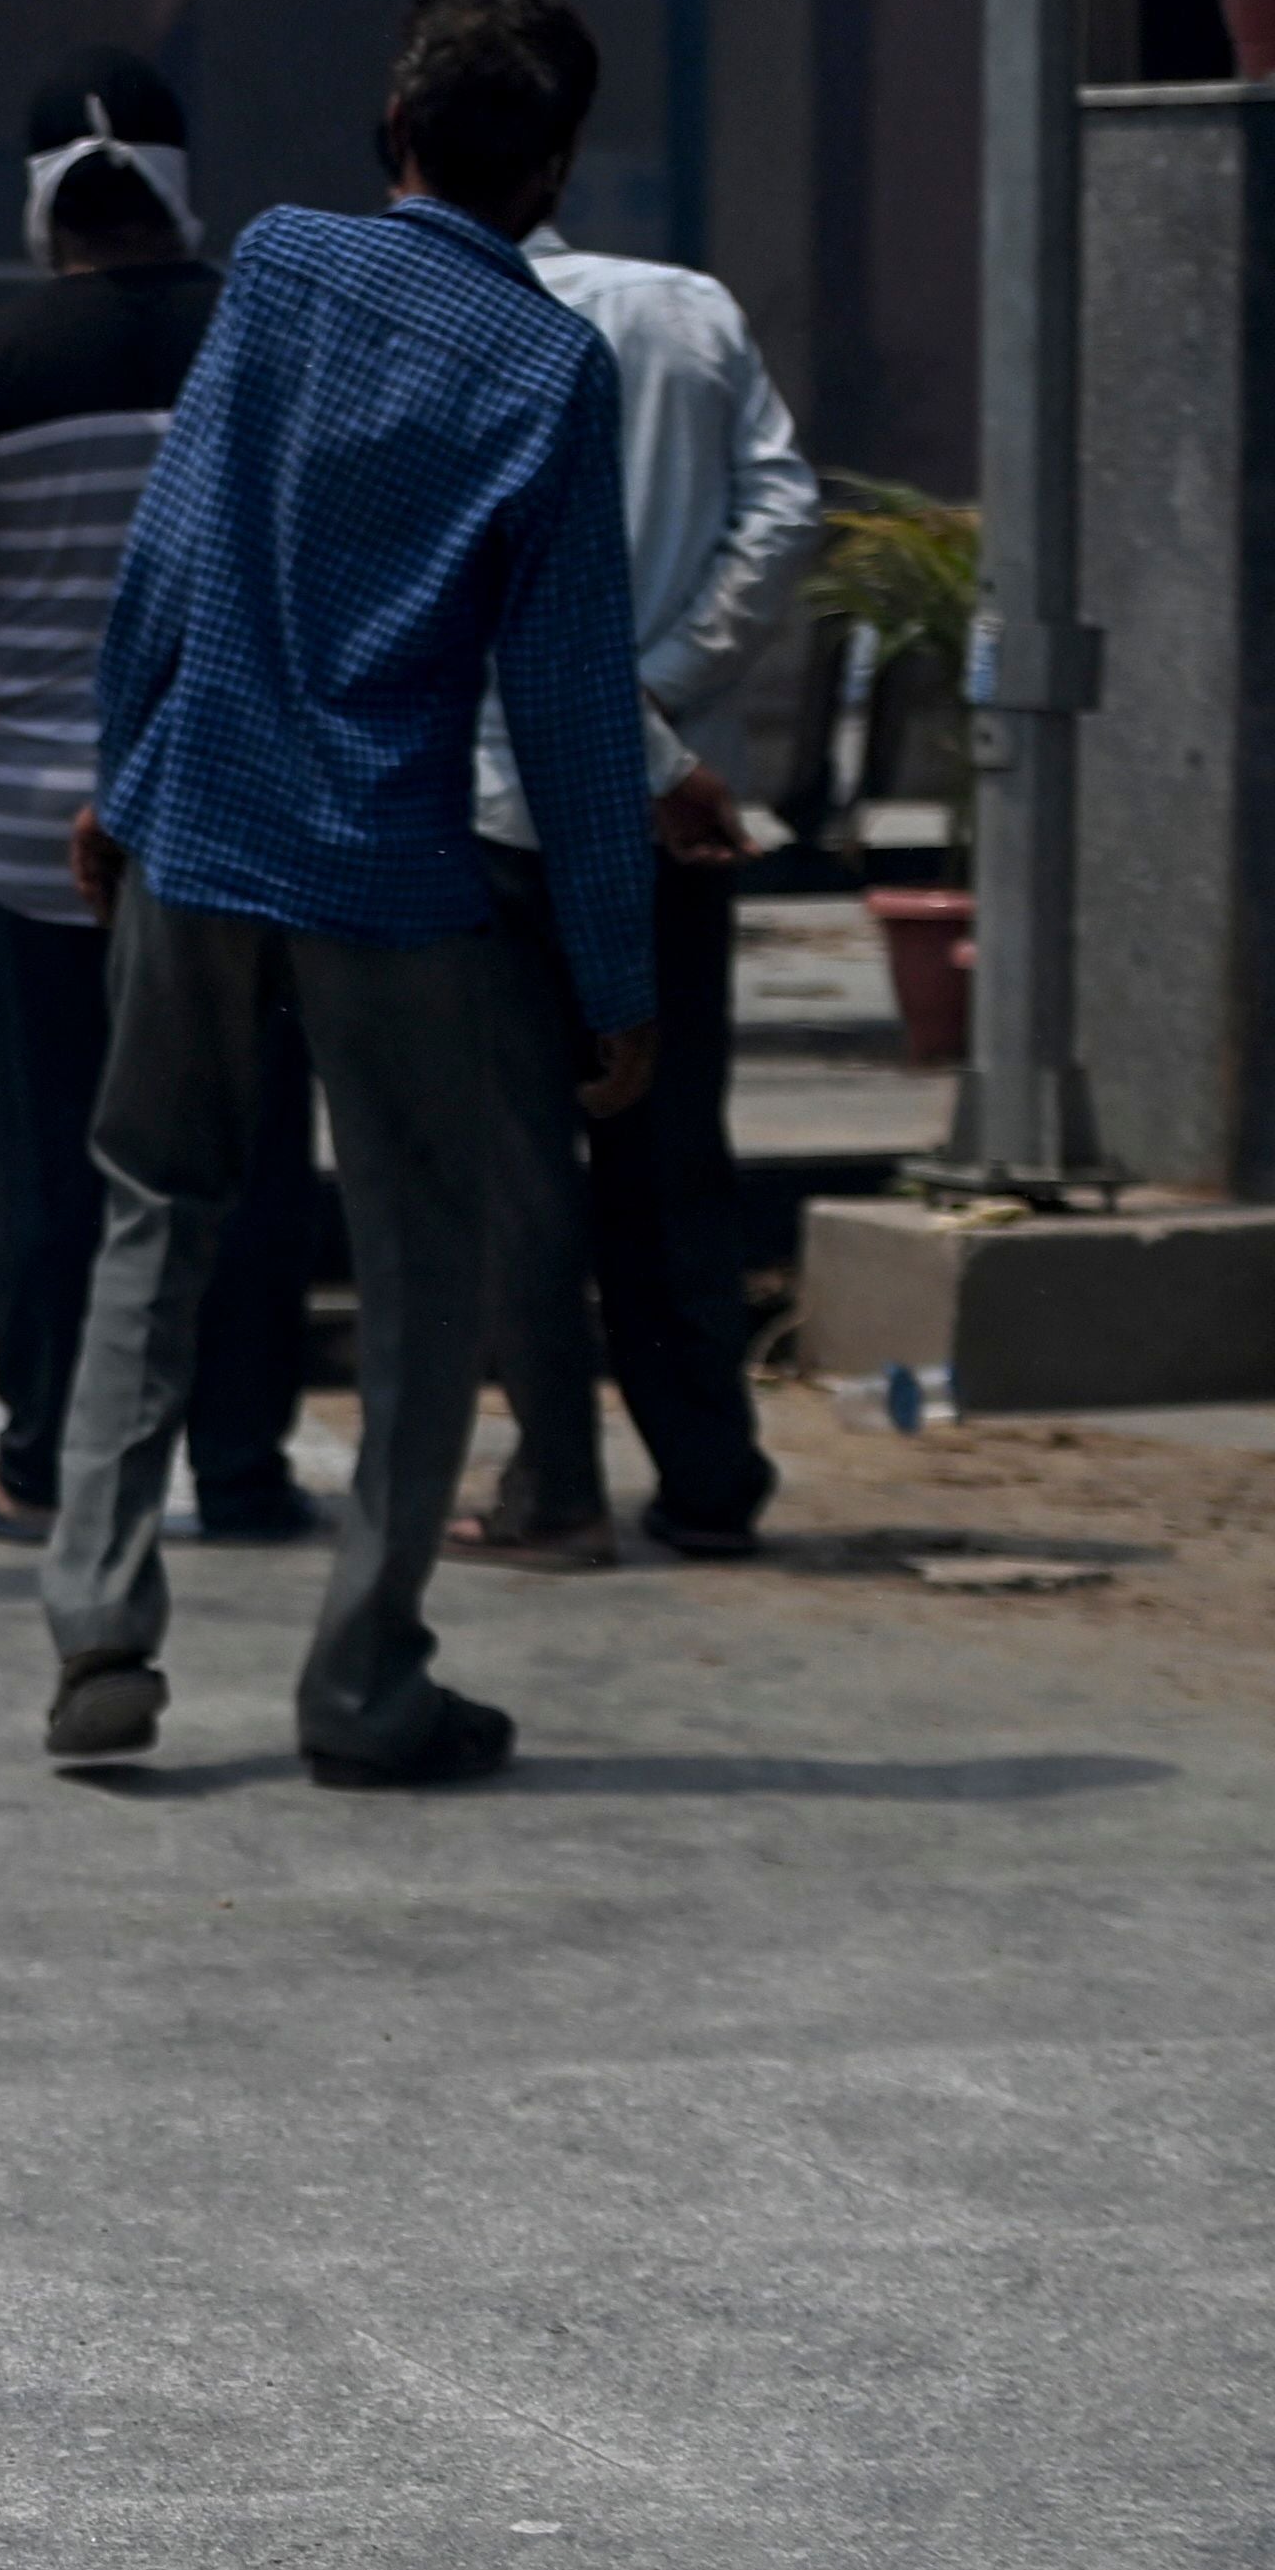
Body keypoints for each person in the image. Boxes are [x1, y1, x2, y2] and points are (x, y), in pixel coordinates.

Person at [39, 0, 674, 1789]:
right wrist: (611, 977)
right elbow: (560, 706)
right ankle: (359, 1678)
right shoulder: (552, 368)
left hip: (200, 823)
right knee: (416, 1268)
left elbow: (173, 550)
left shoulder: (281, 268)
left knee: (152, 1209)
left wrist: (118, 770)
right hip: (388, 869)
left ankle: (95, 1626)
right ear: (546, 173)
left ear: (392, 136)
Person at [0, 49, 325, 1555]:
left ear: (40, 203)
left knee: (46, 1165)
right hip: (250, 836)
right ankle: (242, 1469)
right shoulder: (279, 350)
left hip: (32, 849)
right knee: (245, 1159)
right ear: (185, 180)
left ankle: (42, 1465)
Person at [443, 222, 818, 1567]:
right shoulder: (688, 308)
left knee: (519, 1157)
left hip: (493, 805)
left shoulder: (437, 327)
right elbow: (786, 512)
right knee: (666, 1153)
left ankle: (553, 1481)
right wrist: (665, 688)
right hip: (670, 809)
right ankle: (709, 1476)